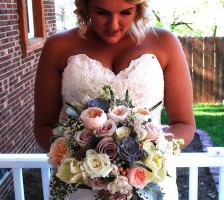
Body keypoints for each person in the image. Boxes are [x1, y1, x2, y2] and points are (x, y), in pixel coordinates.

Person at [34, 0, 196, 199]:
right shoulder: (58, 46)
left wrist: (143, 158)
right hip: (79, 185)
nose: (113, 25)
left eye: (126, 12)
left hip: (146, 182)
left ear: (138, 8)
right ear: (85, 6)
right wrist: (83, 163)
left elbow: (184, 124)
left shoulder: (165, 42)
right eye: (102, 12)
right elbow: (43, 127)